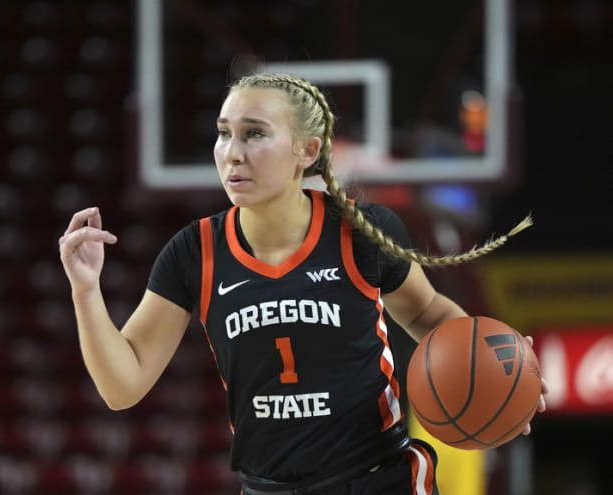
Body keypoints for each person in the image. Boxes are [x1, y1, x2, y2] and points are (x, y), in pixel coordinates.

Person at [59, 72, 546, 494]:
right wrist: (86, 290)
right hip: (268, 487)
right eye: (223, 134)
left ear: (307, 150)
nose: (232, 153)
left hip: (378, 480)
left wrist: (499, 373)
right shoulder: (194, 252)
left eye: (254, 134)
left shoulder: (359, 231)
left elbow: (426, 313)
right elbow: (122, 386)